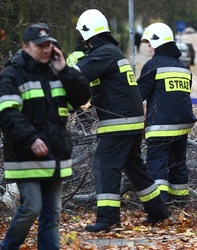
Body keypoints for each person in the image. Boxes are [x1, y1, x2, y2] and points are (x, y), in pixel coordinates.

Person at [73, 9, 171, 232]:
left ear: (88, 33)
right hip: (130, 119)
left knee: (104, 163)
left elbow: (76, 74)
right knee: (134, 167)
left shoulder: (104, 53)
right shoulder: (111, 52)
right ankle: (158, 210)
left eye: (82, 36)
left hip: (119, 121)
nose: (82, 42)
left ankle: (108, 218)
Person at [0, 23, 90, 249]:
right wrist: (31, 139)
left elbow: (82, 98)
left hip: (55, 154)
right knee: (32, 207)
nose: (45, 49)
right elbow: (8, 114)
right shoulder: (12, 74)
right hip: (25, 156)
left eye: (49, 44)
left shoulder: (56, 71)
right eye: (39, 45)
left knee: (52, 215)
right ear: (25, 47)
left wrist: (65, 71)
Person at [137, 22, 197, 206]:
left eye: (150, 44)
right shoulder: (183, 67)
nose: (149, 48)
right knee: (178, 163)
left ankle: (159, 205)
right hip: (182, 127)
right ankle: (179, 202)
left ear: (158, 42)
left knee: (157, 165)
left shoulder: (153, 65)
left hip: (161, 126)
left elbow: (138, 95)